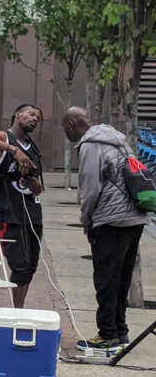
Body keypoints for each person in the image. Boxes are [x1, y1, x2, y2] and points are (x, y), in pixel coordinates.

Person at [62, 107, 148, 356]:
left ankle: (108, 335)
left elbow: (90, 188)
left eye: (64, 127)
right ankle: (120, 331)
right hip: (134, 217)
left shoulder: (91, 145)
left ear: (71, 123)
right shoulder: (118, 139)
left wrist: (86, 219)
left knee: (106, 279)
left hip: (111, 219)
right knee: (121, 277)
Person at [0, 104, 45, 306]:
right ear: (17, 115)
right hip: (10, 213)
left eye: (37, 117)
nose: (34, 119)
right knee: (19, 266)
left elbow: (38, 188)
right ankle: (17, 312)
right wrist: (13, 150)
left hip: (32, 210)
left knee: (30, 267)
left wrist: (35, 185)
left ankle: (19, 309)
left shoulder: (32, 146)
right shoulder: (4, 138)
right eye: (30, 114)